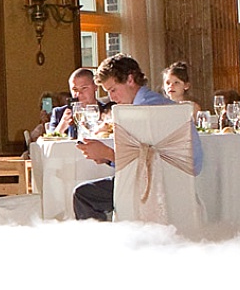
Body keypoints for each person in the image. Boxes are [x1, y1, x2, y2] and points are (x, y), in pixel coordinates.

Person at [73, 54, 203, 220]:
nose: (111, 98)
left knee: (84, 195)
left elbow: (146, 164)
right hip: (182, 185)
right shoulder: (163, 104)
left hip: (152, 188)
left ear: (130, 79)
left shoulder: (143, 111)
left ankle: (103, 245)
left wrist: (107, 154)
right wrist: (108, 158)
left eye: (113, 90)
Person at [44, 67, 100, 136]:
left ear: (95, 87)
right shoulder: (59, 113)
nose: (79, 94)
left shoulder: (107, 110)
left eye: (84, 88)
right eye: (75, 89)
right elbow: (49, 143)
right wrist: (61, 127)